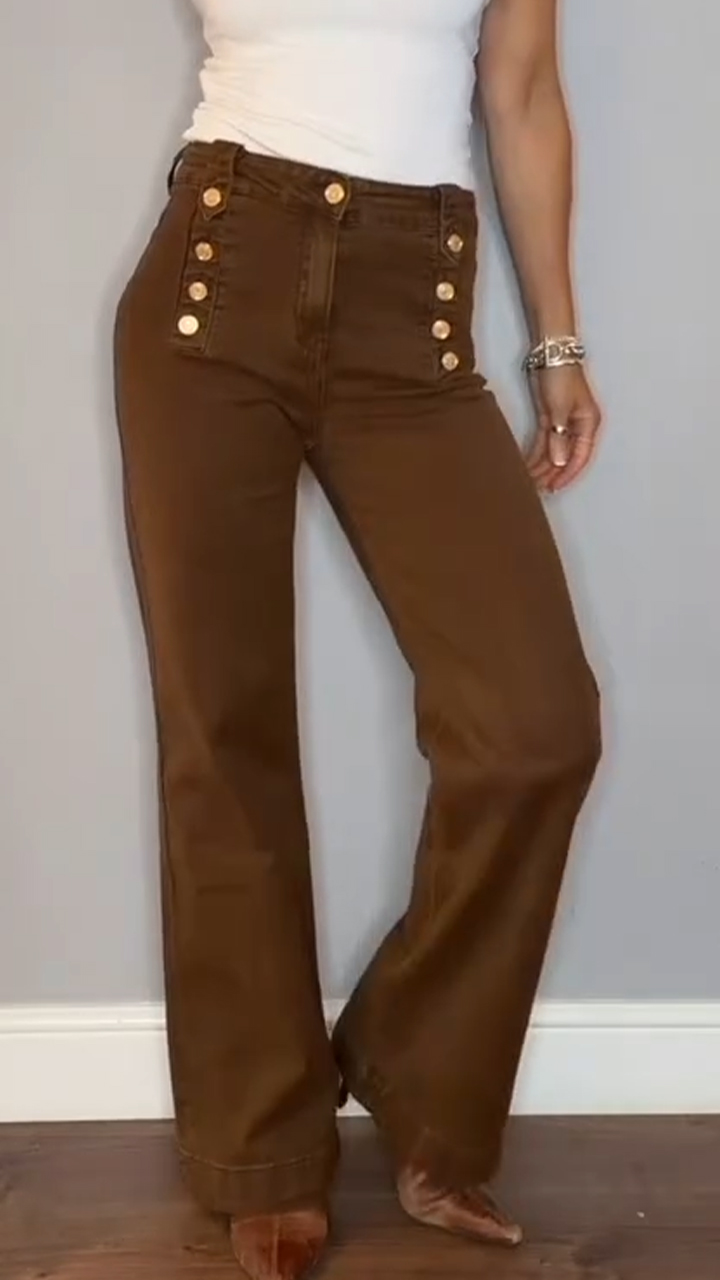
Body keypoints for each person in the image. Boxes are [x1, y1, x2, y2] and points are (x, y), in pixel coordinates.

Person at [113, 0, 602, 1275]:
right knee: (223, 735)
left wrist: (555, 344)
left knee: (536, 724)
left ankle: (414, 1068)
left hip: (415, 301)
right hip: (217, 275)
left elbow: (524, 93)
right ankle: (263, 1148)